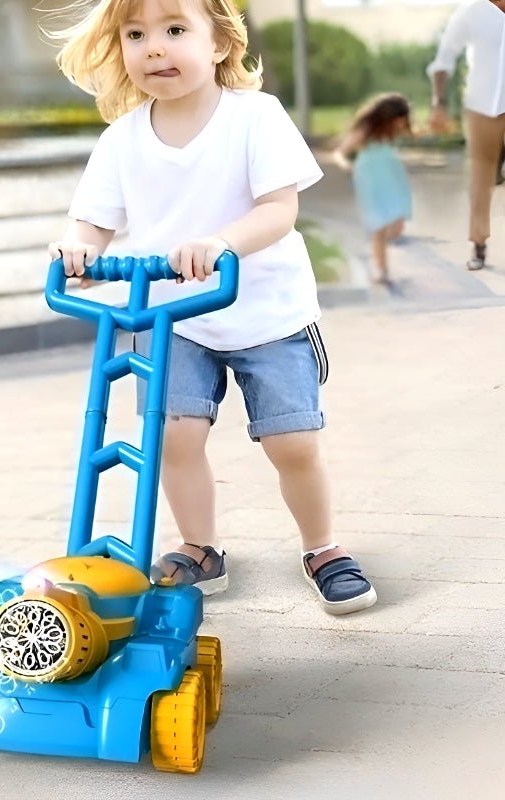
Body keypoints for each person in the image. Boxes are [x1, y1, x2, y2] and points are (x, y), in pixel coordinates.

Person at [45, 0, 376, 615]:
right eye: (136, 35)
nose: (155, 48)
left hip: (264, 309)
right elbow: (91, 221)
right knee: (172, 436)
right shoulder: (121, 141)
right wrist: (78, 253)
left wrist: (222, 243)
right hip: (174, 316)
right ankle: (201, 547)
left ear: (220, 44)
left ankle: (322, 548)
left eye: (175, 31)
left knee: (292, 442)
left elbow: (280, 210)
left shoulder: (255, 118)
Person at [427, 0, 505, 270]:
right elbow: (444, 58)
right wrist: (438, 104)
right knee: (481, 178)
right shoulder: (471, 11)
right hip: (481, 107)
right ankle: (479, 245)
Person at [333, 93, 413, 285]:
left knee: (397, 221)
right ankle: (382, 270)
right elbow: (340, 153)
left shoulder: (390, 132)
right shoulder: (366, 131)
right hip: (370, 178)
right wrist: (346, 166)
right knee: (378, 225)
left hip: (392, 176)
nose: (401, 124)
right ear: (386, 118)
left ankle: (378, 254)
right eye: (398, 120)